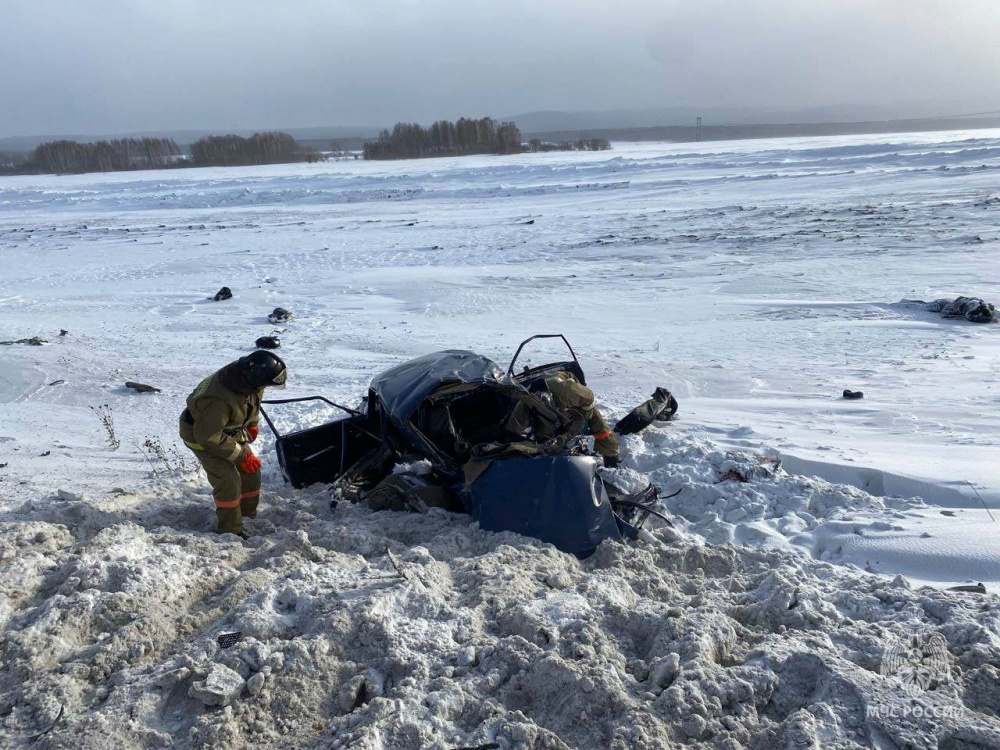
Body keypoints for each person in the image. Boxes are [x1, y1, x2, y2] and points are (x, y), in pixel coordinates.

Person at [179, 351, 287, 538]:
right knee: (228, 481)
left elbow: (254, 398)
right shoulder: (217, 400)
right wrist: (241, 456)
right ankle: (230, 530)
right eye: (265, 383)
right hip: (202, 436)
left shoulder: (248, 379)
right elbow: (208, 437)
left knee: (251, 471)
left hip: (226, 430)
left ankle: (246, 515)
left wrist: (252, 423)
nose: (264, 387)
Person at [543, 371, 620, 467]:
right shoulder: (531, 402)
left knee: (599, 426)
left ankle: (611, 459)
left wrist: (585, 416)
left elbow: (588, 396)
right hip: (554, 400)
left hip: (576, 396)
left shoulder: (569, 394)